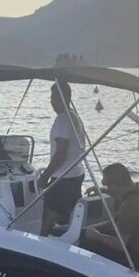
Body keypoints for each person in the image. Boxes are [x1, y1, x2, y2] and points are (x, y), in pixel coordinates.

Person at [81, 163, 139, 271]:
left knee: (87, 244)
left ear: (115, 184)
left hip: (138, 258)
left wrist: (97, 236)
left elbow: (120, 245)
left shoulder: (130, 206)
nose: (105, 187)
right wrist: (103, 190)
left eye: (107, 184)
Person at [38, 81, 86, 235]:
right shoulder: (75, 117)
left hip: (63, 177)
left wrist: (45, 176)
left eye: (53, 97)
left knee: (48, 216)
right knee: (66, 216)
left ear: (62, 98)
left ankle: (42, 244)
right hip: (76, 174)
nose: (51, 101)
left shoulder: (63, 119)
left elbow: (60, 153)